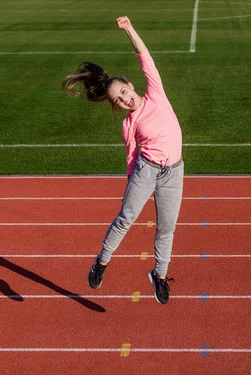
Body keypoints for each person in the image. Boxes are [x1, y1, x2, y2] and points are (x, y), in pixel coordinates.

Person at [62, 16, 184, 304]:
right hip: (146, 171)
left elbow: (145, 57)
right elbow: (132, 156)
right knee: (126, 217)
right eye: (118, 99)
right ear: (115, 105)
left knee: (167, 227)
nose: (125, 99)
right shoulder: (128, 125)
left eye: (125, 91)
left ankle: (160, 276)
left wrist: (129, 29)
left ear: (131, 85)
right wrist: (133, 184)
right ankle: (102, 262)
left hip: (174, 172)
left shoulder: (156, 95)